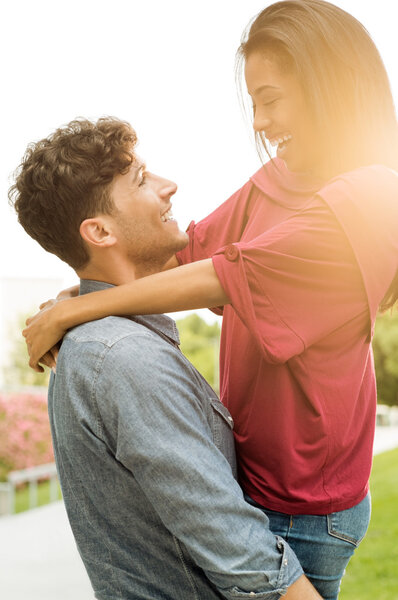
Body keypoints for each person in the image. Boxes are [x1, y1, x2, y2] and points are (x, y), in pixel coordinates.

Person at [18, 1, 398, 598]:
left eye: (271, 99)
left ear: (329, 88)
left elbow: (227, 274)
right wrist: (78, 289)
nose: (261, 122)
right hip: (255, 481)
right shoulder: (271, 185)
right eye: (254, 103)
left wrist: (78, 310)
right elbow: (178, 256)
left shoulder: (376, 196)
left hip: (308, 504)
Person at [10, 117, 321, 600]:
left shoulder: (105, 342)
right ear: (99, 230)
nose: (168, 186)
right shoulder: (124, 359)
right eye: (141, 179)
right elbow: (239, 550)